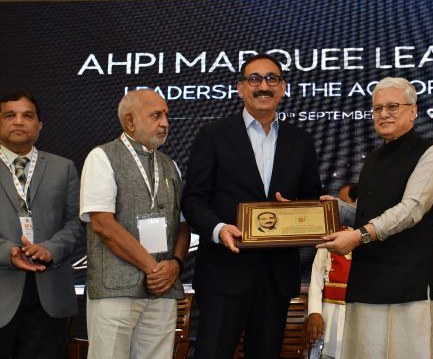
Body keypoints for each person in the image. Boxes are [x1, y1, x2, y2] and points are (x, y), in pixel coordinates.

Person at [181, 53, 323, 359]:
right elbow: (193, 199)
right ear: (240, 88)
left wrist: (296, 211)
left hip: (276, 278)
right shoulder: (213, 135)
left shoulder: (301, 141)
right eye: (254, 79)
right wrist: (219, 229)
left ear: (282, 88)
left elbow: (313, 200)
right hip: (223, 274)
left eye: (272, 79)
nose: (263, 86)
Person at [318, 77, 433, 358]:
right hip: (366, 280)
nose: (384, 114)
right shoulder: (374, 157)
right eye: (378, 108)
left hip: (407, 284)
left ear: (413, 110)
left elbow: (411, 210)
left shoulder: (430, 153)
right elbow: (368, 214)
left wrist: (359, 236)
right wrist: (331, 209)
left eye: (392, 106)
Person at [80, 90, 190, 359]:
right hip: (115, 289)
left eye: (166, 115)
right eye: (156, 115)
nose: (165, 123)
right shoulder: (102, 157)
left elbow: (183, 224)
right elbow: (103, 225)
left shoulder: (170, 165)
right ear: (130, 121)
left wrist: (176, 264)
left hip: (162, 289)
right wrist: (154, 269)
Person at [0, 91, 83, 359]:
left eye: (28, 116)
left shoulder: (64, 168)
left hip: (50, 295)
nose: (19, 121)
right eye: (9, 115)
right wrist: (8, 252)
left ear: (39, 125)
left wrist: (51, 249)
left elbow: (77, 222)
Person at [307, 227, 353, 359]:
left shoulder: (372, 232)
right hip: (331, 310)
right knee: (328, 352)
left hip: (360, 309)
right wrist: (315, 311)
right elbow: (317, 274)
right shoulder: (331, 233)